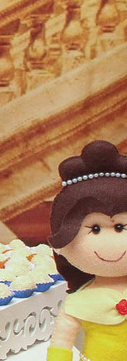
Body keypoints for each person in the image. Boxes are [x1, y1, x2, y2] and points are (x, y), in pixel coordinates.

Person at [47, 139, 127, 361]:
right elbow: (62, 344)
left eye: (120, 227)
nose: (110, 243)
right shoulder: (80, 302)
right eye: (95, 229)